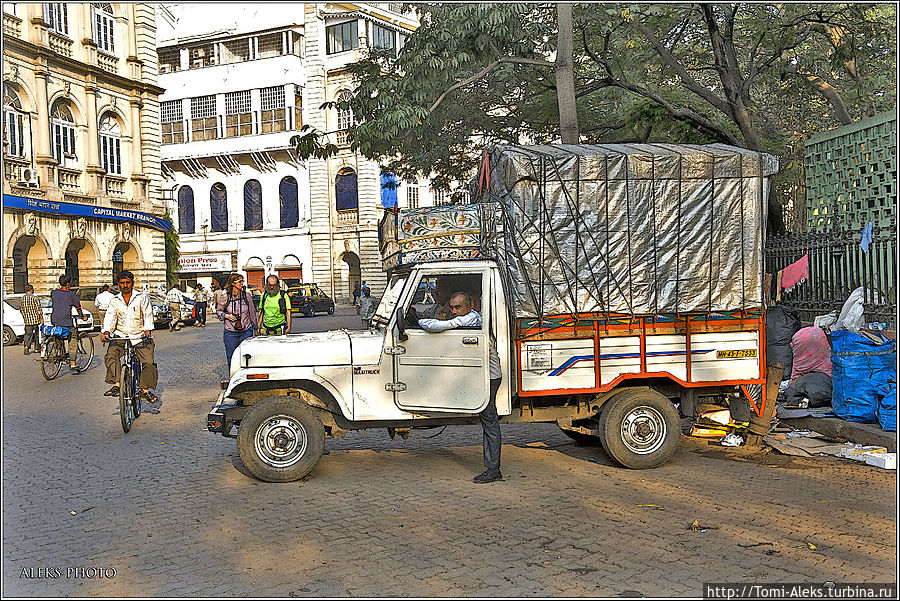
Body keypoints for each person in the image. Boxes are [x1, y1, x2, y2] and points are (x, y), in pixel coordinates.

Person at [415, 291, 503, 484]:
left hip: (488, 377)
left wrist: (418, 322)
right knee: (487, 421)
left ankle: (493, 469)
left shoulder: (469, 319)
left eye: (458, 307)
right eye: (452, 307)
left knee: (489, 421)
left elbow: (440, 326)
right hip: (479, 375)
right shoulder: (467, 317)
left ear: (468, 307)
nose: (454, 312)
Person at [101, 270, 159, 403]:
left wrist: (147, 329)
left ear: (132, 283)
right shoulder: (115, 300)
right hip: (121, 335)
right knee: (111, 356)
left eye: (128, 282)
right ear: (118, 284)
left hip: (139, 336)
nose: (125, 285)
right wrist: (106, 332)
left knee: (148, 362)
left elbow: (148, 314)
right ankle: (117, 383)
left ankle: (145, 390)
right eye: (122, 283)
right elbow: (110, 317)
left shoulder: (141, 297)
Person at [216, 273, 257, 367]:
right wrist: (227, 316)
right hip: (231, 332)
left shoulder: (247, 296)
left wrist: (255, 328)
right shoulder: (226, 296)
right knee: (232, 358)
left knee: (247, 358)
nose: (242, 283)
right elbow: (218, 311)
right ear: (233, 283)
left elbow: (252, 312)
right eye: (240, 282)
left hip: (246, 331)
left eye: (242, 281)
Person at [50, 275, 86, 371]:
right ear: (68, 284)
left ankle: (60, 350)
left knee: (59, 335)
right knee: (73, 338)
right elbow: (78, 308)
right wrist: (83, 317)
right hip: (66, 321)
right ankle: (73, 363)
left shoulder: (53, 293)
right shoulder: (71, 295)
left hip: (54, 320)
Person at [19, 284, 43, 355]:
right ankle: (36, 348)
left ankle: (26, 347)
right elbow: (39, 309)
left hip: (27, 321)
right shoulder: (35, 298)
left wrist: (25, 316)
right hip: (36, 320)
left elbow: (21, 309)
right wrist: (41, 318)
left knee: (27, 334)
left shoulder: (22, 299)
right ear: (31, 290)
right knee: (36, 334)